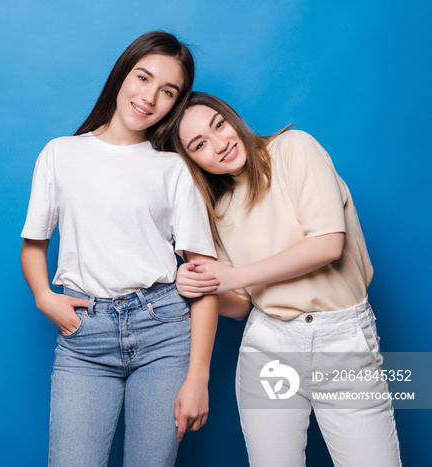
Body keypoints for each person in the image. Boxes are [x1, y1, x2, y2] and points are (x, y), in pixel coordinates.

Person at [171, 91, 401, 466]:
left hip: (341, 338)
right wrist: (196, 283)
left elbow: (328, 243)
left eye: (219, 125)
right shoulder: (220, 208)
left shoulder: (294, 149)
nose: (220, 144)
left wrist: (232, 276)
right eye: (200, 144)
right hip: (268, 344)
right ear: (191, 161)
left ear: (231, 118)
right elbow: (240, 305)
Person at [20, 32, 218, 466]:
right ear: (121, 74)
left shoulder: (175, 169)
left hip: (164, 331)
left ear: (176, 103)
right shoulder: (60, 154)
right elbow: (34, 245)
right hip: (84, 336)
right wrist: (43, 298)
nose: (150, 97)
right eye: (143, 77)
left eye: (168, 91)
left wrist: (198, 378)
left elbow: (204, 279)